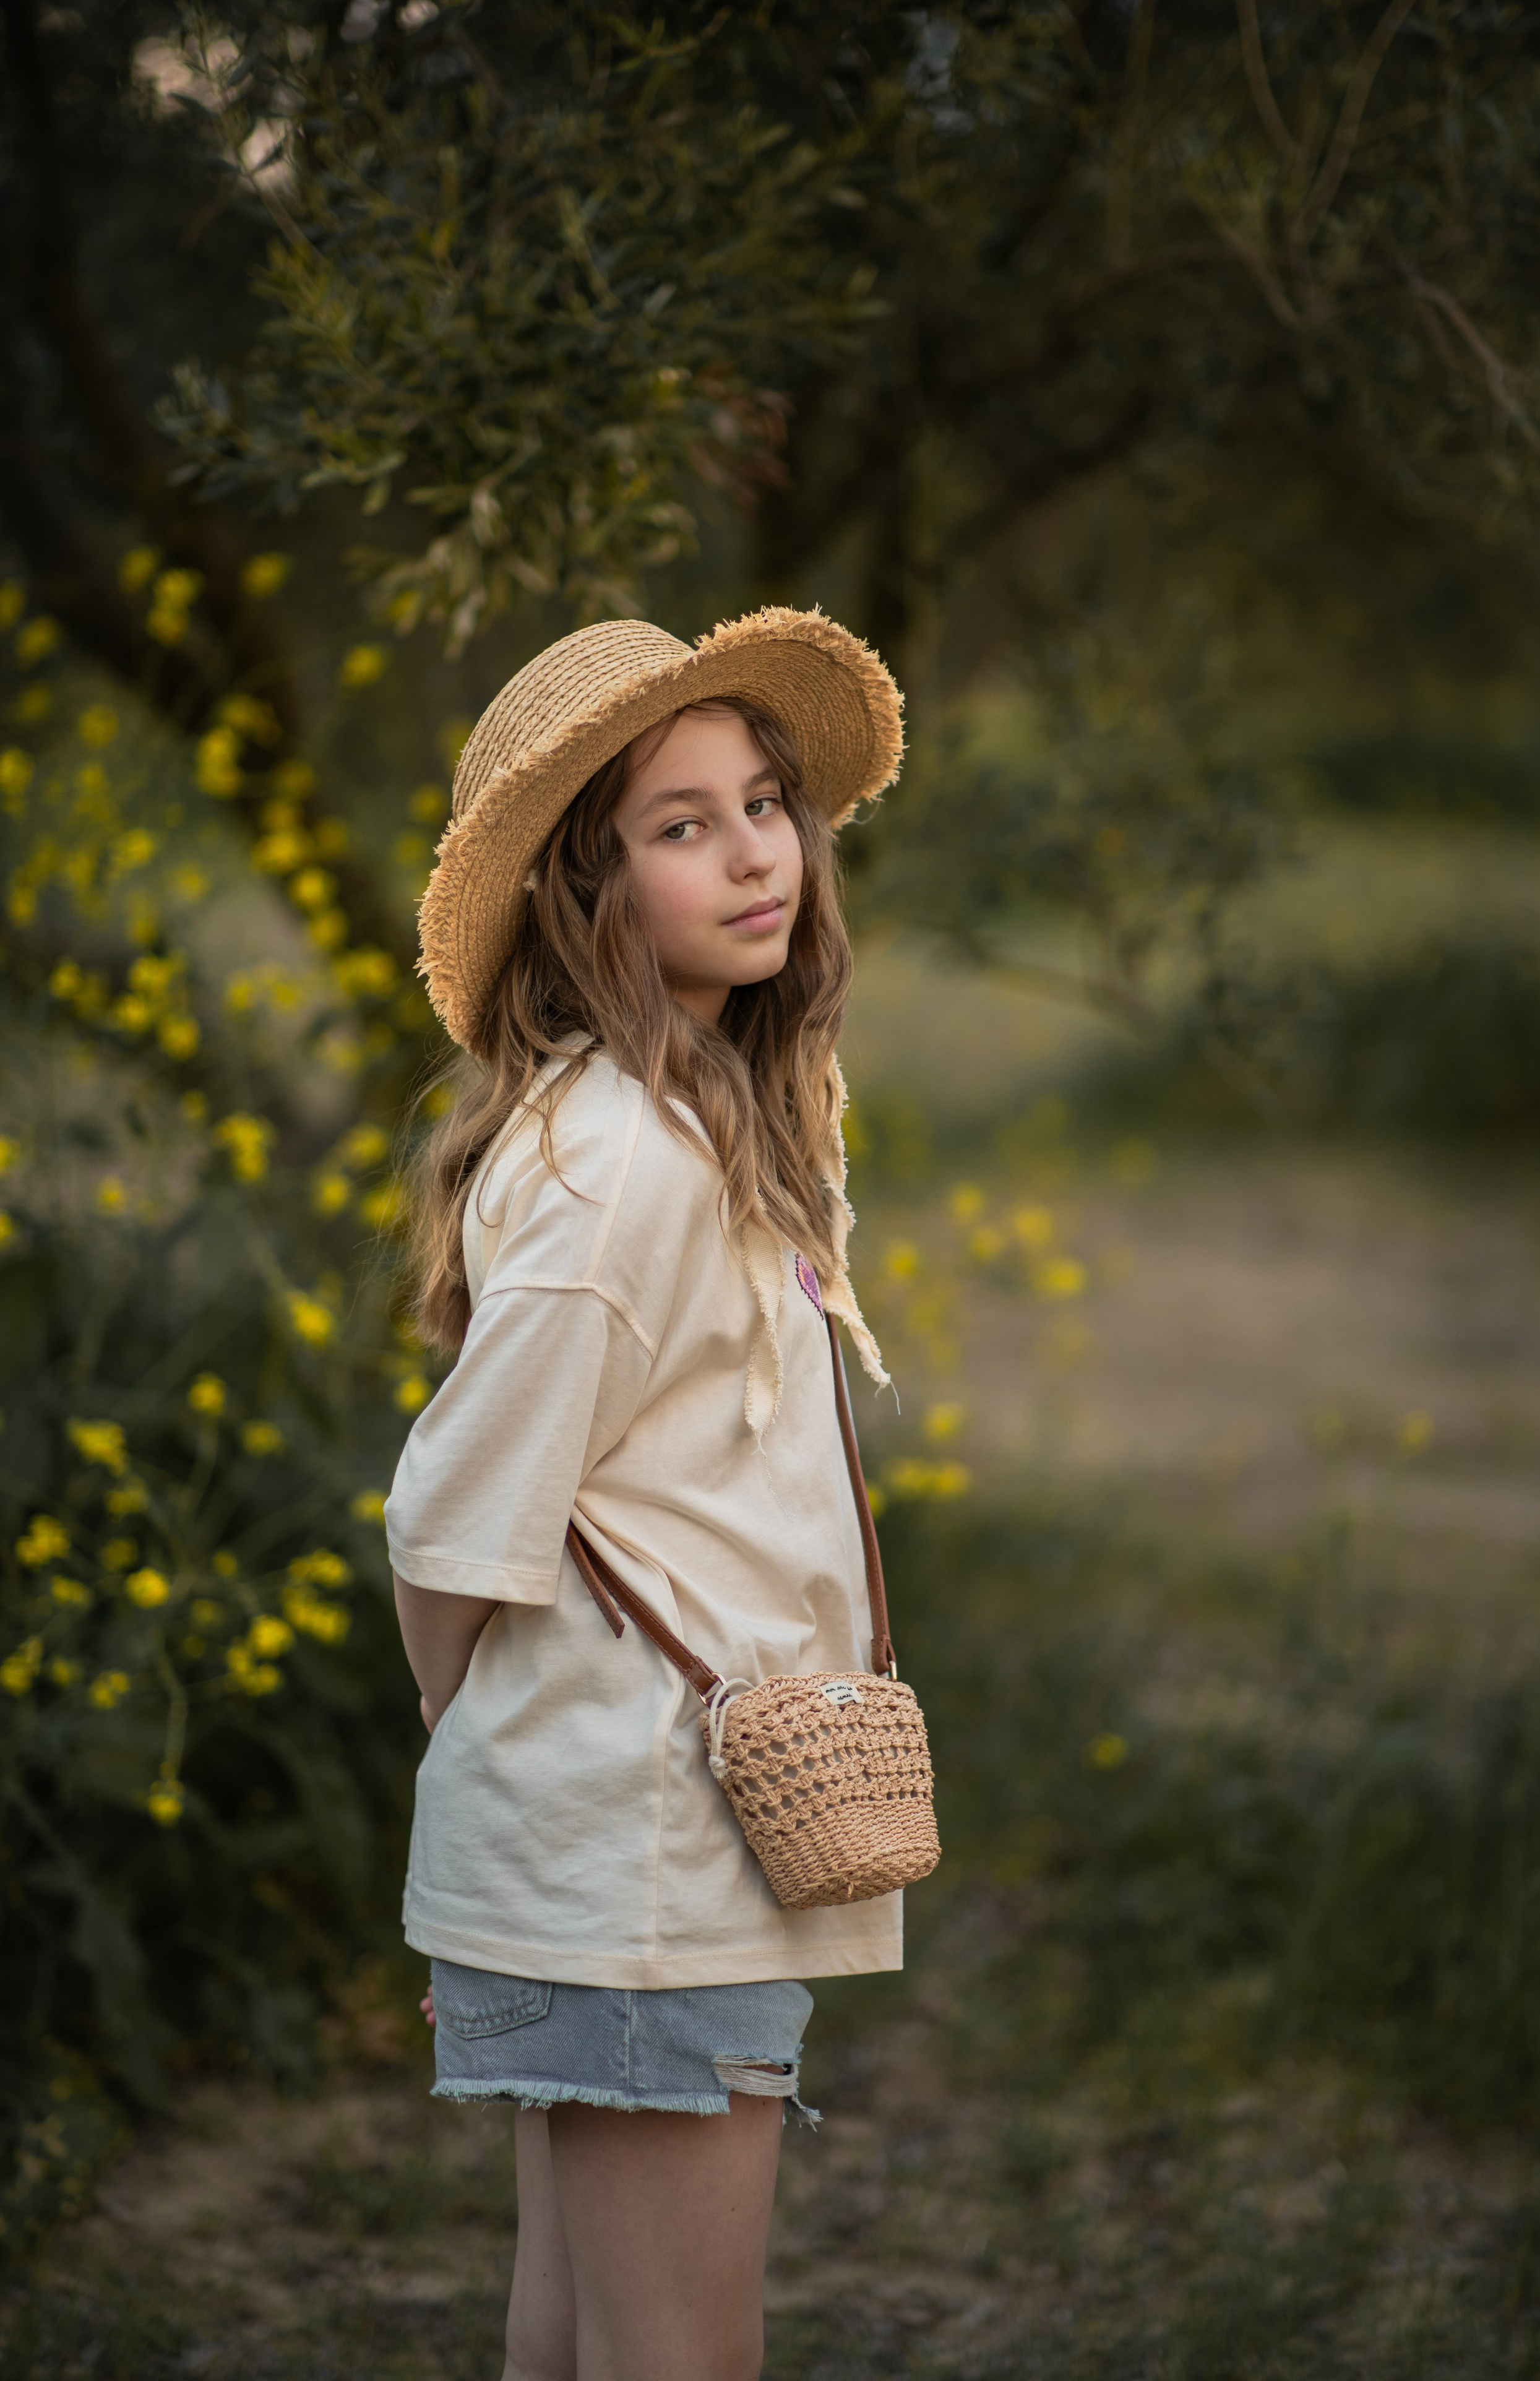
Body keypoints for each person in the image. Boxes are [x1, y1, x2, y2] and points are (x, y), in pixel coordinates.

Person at [385, 609, 906, 2381]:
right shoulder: (622, 1169)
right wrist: (492, 1759)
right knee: (681, 2358)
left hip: (625, 1853)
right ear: (582, 890)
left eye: (764, 802)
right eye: (681, 826)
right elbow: (453, 1524)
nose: (757, 850)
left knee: (577, 2343)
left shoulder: (689, 1122)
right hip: (641, 1862)